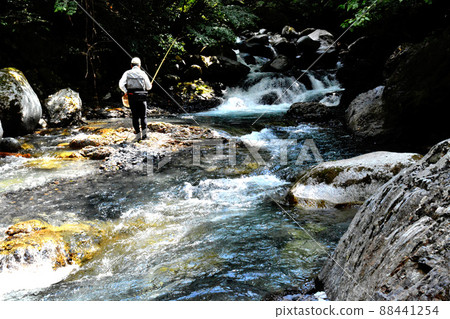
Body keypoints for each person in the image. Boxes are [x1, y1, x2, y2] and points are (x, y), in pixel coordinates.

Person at [119, 57, 152, 141]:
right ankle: (144, 136)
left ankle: (137, 135)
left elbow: (121, 84)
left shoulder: (127, 73)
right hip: (142, 97)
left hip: (131, 96)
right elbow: (148, 87)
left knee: (135, 116)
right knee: (143, 116)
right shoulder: (143, 73)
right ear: (139, 65)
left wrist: (126, 91)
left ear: (131, 65)